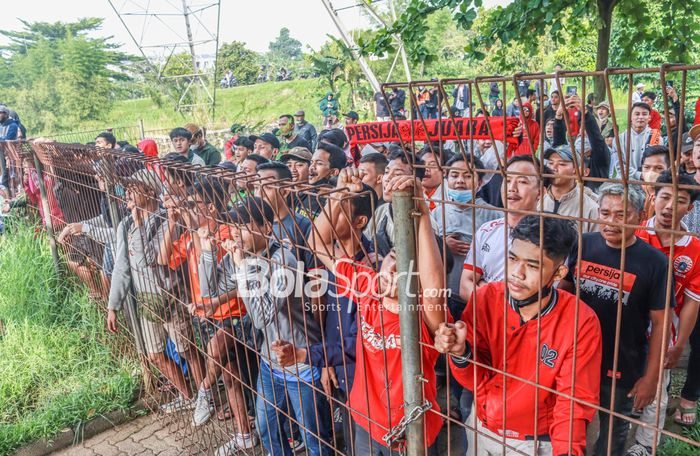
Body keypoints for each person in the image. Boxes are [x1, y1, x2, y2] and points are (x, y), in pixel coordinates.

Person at [305, 171, 446, 454]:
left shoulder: (424, 313)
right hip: (365, 422)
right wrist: (339, 193)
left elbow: (434, 281)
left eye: (408, 266)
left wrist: (423, 212)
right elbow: (317, 243)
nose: (395, 269)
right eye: (394, 258)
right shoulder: (368, 288)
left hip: (410, 433)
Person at [435, 215, 602, 456]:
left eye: (533, 266)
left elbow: (573, 404)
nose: (516, 274)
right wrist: (461, 353)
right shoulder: (486, 298)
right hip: (481, 425)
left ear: (558, 273)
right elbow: (475, 379)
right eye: (513, 259)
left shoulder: (581, 322)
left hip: (536, 442)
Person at [198, 196, 330, 456]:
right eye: (233, 227)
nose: (235, 233)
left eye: (244, 225)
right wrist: (208, 252)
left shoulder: (283, 261)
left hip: (301, 363)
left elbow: (261, 317)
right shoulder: (244, 257)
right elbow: (209, 290)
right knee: (267, 428)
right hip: (271, 363)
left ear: (266, 228)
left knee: (315, 439)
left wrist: (243, 270)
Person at [558, 183, 672, 456]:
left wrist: (651, 377)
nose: (609, 222)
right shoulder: (584, 243)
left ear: (640, 215)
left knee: (613, 431)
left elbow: (661, 323)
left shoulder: (656, 262)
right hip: (576, 356)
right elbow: (565, 288)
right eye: (604, 213)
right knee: (569, 422)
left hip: (623, 361)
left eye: (621, 215)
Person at [275, 168, 378, 454]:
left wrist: (313, 356)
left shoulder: (368, 267)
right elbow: (315, 240)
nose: (330, 217)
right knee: (349, 434)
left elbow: (356, 341)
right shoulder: (338, 260)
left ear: (360, 221)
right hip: (338, 364)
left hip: (364, 373)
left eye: (339, 211)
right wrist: (338, 193)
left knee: (367, 440)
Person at [159, 176, 251, 432]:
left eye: (192, 203)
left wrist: (193, 227)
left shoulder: (225, 234)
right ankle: (244, 432)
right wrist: (173, 220)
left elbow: (214, 272)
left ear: (210, 207)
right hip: (204, 313)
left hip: (231, 312)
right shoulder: (192, 235)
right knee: (230, 374)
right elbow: (164, 258)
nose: (187, 207)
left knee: (216, 349)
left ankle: (204, 390)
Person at [106, 169, 200, 413]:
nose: (126, 194)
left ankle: (205, 397)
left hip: (172, 296)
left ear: (148, 192)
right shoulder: (125, 225)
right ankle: (187, 395)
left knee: (186, 348)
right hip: (147, 301)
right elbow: (122, 267)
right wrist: (113, 305)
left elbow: (151, 259)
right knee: (155, 354)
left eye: (132, 189)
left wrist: (138, 226)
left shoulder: (165, 219)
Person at [628, 171, 700, 455]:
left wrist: (680, 342)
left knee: (658, 386)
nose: (670, 206)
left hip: (663, 331)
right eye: (665, 197)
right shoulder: (633, 233)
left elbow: (693, 301)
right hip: (625, 323)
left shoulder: (694, 249)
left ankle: (645, 444)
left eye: (679, 200)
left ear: (690, 207)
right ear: (652, 198)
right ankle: (628, 409)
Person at [459, 155, 546, 302]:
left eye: (522, 181)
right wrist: (496, 304)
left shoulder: (551, 236)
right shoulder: (486, 230)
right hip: (485, 319)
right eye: (508, 180)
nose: (512, 188)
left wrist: (485, 289)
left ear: (540, 192)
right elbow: (465, 285)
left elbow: (544, 294)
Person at [431, 154, 499, 303]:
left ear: (479, 182)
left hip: (476, 296)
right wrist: (443, 246)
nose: (460, 181)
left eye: (468, 176)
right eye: (454, 175)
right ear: (446, 179)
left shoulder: (495, 216)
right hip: (442, 294)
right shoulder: (437, 213)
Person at [363, 149, 427, 257]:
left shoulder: (424, 220)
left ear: (414, 182)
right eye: (387, 172)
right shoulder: (381, 211)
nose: (388, 178)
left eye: (397, 174)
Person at [543, 144, 599, 233]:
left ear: (575, 169)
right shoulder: (538, 200)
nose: (553, 168)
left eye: (561, 164)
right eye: (550, 163)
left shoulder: (591, 208)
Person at [297, 143, 346, 220]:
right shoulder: (305, 191)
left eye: (319, 163)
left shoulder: (334, 202)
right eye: (311, 162)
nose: (311, 167)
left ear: (333, 172)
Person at [610, 102, 657, 180]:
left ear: (649, 117)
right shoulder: (619, 139)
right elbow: (619, 165)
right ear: (631, 117)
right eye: (637, 114)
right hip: (624, 181)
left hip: (648, 181)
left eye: (644, 114)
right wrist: (639, 175)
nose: (641, 117)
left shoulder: (656, 138)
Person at [639, 146, 670, 217]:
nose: (651, 173)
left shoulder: (672, 195)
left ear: (669, 169)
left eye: (658, 168)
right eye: (646, 167)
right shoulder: (635, 190)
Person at [0, 106, 19, 188]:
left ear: (6, 114)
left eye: (0, 113)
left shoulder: (13, 125)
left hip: (10, 153)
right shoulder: (1, 125)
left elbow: (8, 139)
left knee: (8, 174)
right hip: (2, 152)